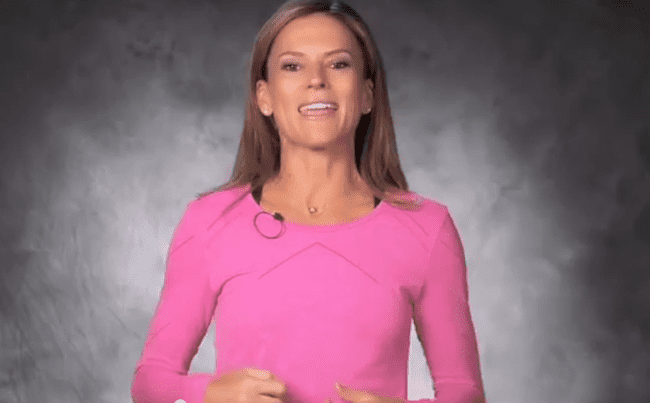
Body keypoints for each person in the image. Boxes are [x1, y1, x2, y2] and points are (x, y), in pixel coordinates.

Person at [130, 1, 486, 403]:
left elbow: (465, 392)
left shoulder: (427, 227)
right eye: (293, 66)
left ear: (367, 94)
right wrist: (208, 393)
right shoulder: (209, 222)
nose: (317, 80)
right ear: (264, 96)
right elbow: (151, 382)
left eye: (338, 64)